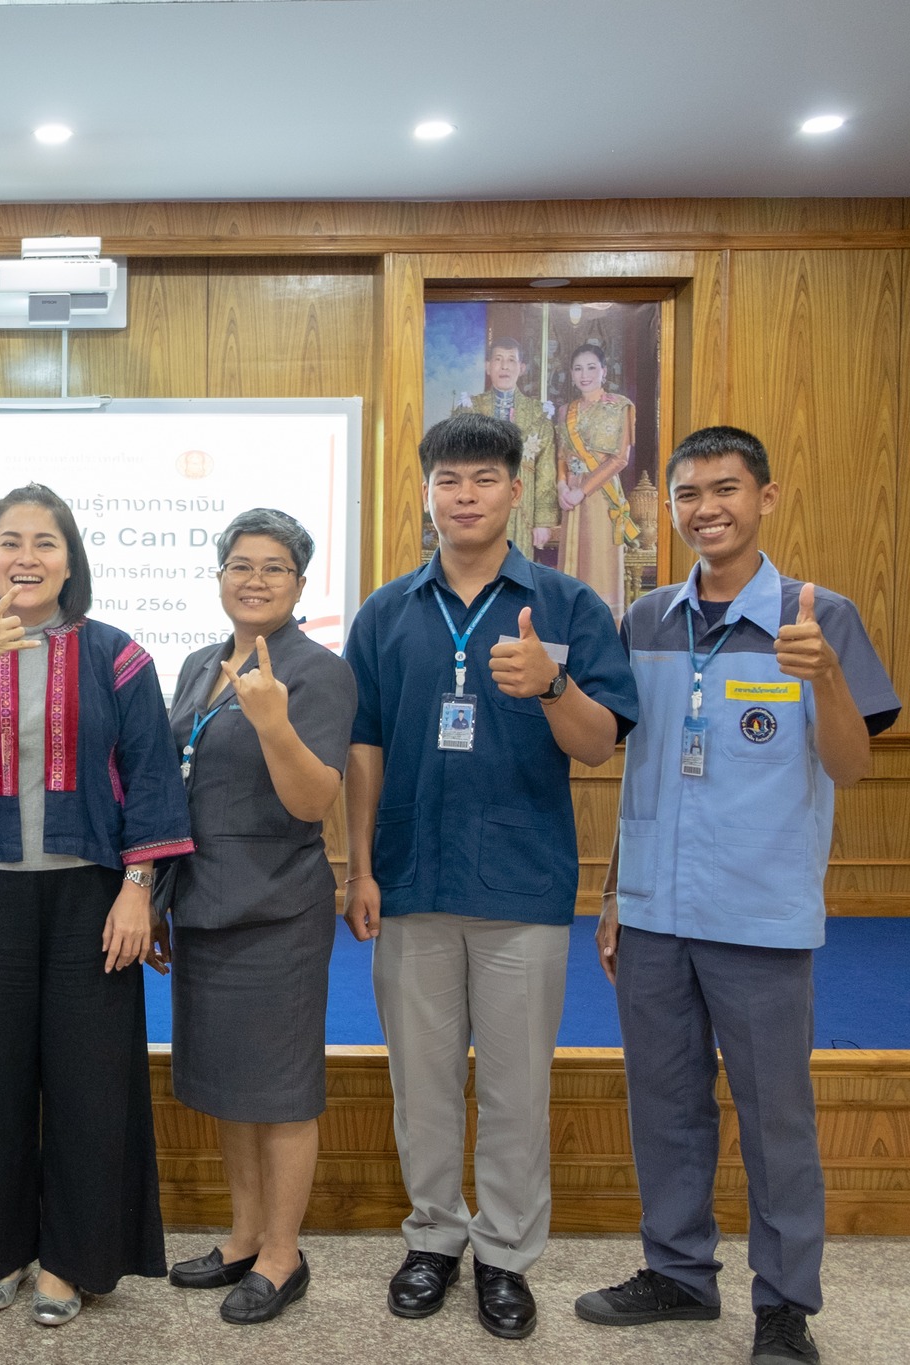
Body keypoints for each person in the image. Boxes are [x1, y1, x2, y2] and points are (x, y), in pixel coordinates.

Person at [575, 427, 899, 1365]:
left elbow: (850, 764)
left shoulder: (818, 615)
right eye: (687, 494)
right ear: (669, 506)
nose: (706, 508)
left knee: (775, 1115)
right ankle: (678, 1273)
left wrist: (826, 678)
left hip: (759, 913)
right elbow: (639, 767)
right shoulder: (644, 620)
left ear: (767, 496)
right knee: (664, 1101)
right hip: (652, 910)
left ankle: (786, 1305)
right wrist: (611, 894)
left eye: (726, 489)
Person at [342, 411, 637, 1341]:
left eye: (482, 478)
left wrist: (553, 682)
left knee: (515, 1086)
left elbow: (600, 747)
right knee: (420, 1081)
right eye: (447, 480)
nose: (463, 495)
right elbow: (365, 746)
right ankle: (433, 1236)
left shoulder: (569, 605)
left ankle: (506, 1254)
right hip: (411, 879)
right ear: (426, 493)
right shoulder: (388, 609)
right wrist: (358, 865)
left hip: (522, 884)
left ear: (516, 491)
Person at [0, 483, 192, 1328]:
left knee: (90, 1080)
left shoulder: (119, 654)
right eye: (8, 540)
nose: (25, 556)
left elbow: (151, 776)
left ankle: (73, 1260)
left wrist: (139, 890)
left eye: (44, 541)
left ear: (72, 558)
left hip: (94, 895)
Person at [161, 508, 356, 1326]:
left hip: (275, 905)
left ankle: (283, 1254)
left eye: (275, 567)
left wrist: (273, 720)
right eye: (240, 564)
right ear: (219, 578)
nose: (255, 578)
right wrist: (157, 894)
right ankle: (243, 1236)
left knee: (278, 1090)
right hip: (203, 901)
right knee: (227, 1084)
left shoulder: (320, 672)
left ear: (301, 585)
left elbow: (315, 798)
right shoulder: (198, 664)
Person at [555, 342, 639, 621]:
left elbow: (620, 459)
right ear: (571, 373)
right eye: (578, 368)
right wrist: (562, 486)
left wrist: (583, 491)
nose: (585, 374)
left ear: (604, 371)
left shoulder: (620, 407)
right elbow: (562, 455)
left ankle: (604, 630)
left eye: (592, 367)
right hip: (572, 499)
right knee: (572, 566)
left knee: (598, 565)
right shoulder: (565, 410)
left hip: (601, 497)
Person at [461, 337, 558, 555]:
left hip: (522, 508)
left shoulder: (539, 413)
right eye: (498, 359)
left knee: (517, 570)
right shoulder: (469, 409)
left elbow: (546, 472)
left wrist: (543, 522)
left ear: (522, 368)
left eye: (511, 360)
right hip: (478, 502)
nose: (504, 366)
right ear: (488, 366)